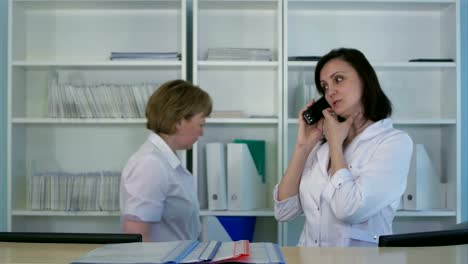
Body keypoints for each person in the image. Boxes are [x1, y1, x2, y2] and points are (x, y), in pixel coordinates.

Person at [274, 48, 413, 247]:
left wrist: (336, 146)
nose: (330, 92)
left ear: (365, 79)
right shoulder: (321, 146)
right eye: (324, 86)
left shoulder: (394, 143)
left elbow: (350, 209)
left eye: (338, 79)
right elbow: (283, 211)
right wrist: (303, 146)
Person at [120, 79, 212, 242]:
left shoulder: (165, 160)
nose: (202, 133)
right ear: (179, 122)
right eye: (201, 124)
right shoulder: (150, 164)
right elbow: (137, 236)